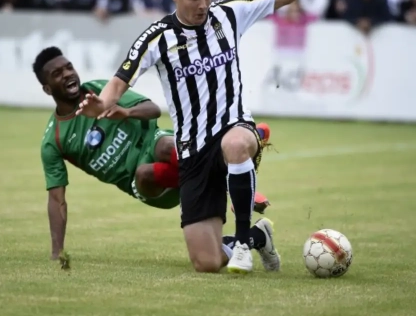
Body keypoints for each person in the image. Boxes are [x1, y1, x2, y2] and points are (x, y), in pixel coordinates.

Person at [76, 0, 357, 274]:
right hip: (193, 150)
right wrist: (102, 104)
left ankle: (242, 243)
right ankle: (258, 236)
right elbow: (120, 80)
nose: (203, 5)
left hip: (234, 128)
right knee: (206, 263)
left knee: (235, 144)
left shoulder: (229, 14)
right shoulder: (158, 37)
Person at [34, 47, 271, 261]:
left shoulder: (99, 91)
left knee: (166, 145)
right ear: (47, 89)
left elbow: (153, 110)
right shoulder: (54, 140)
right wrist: (57, 251)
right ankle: (242, 178)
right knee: (144, 173)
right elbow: (56, 199)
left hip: (154, 143)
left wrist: (126, 112)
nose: (67, 74)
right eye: (57, 74)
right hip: (145, 184)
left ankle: (239, 196)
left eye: (69, 67)